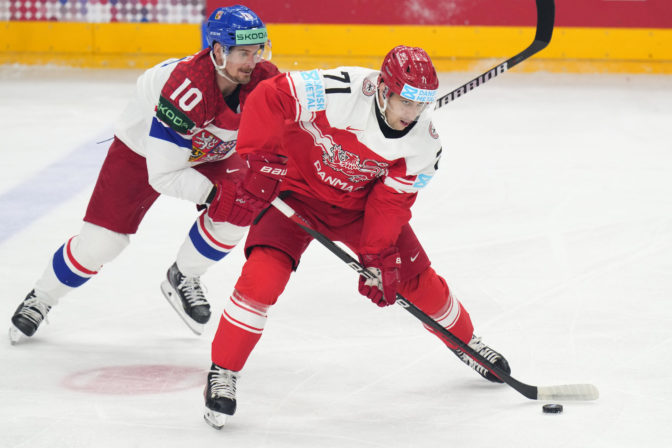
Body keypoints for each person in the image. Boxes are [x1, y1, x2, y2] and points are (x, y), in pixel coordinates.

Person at [200, 45, 512, 429]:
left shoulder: (423, 145)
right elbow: (270, 95)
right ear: (383, 89)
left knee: (416, 281)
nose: (412, 115)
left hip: (356, 208)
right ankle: (224, 371)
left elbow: (390, 203)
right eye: (406, 103)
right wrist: (259, 163)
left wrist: (378, 256)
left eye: (421, 105)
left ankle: (466, 343)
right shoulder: (339, 90)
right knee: (262, 280)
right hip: (291, 193)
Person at [8, 5, 282, 343]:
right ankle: (42, 296)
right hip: (143, 151)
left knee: (241, 208)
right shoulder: (187, 89)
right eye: (243, 52)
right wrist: (215, 194)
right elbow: (164, 174)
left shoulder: (264, 78)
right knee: (101, 245)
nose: (252, 61)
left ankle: (184, 276)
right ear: (217, 51)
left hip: (212, 150)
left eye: (258, 50)